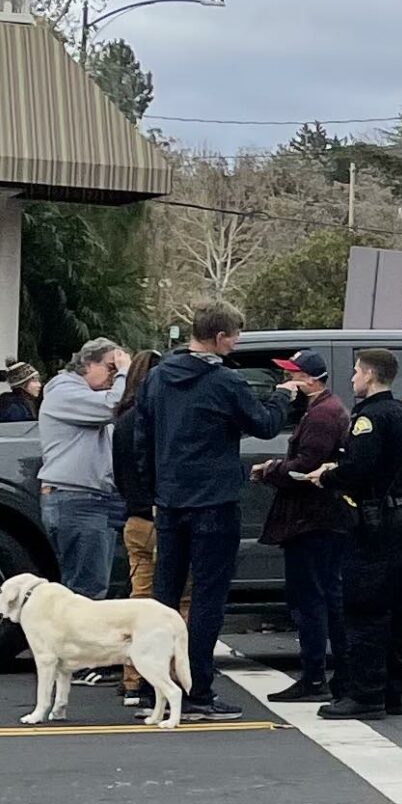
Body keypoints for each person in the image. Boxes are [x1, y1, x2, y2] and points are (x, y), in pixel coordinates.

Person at [133, 303, 284, 722]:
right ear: (219, 339)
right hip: (214, 501)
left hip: (170, 500)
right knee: (207, 598)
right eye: (234, 337)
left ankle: (152, 687)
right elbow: (265, 424)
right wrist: (282, 397)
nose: (235, 345)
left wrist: (153, 490)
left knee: (163, 597)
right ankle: (197, 690)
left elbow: (142, 438)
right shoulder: (223, 381)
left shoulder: (158, 377)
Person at [320, 347, 402, 720]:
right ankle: (395, 692)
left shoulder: (370, 418)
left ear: (370, 375)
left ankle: (365, 694)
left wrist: (327, 475)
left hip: (371, 522)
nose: (352, 379)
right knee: (395, 609)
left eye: (356, 372)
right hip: (399, 518)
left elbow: (358, 468)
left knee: (364, 608)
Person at [254, 351, 352, 704]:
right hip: (319, 519)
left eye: (292, 376)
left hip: (310, 521)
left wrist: (270, 471)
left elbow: (306, 467)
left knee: (310, 599)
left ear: (309, 380)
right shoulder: (324, 410)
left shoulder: (323, 416)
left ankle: (315, 676)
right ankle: (339, 672)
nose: (286, 382)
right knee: (326, 595)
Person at [37, 341, 127, 609]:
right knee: (84, 595)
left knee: (92, 587)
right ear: (88, 363)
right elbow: (114, 406)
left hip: (92, 500)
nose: (115, 375)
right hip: (76, 499)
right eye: (111, 367)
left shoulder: (84, 396)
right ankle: (75, 650)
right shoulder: (64, 391)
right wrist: (125, 372)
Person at [113, 349, 168, 711]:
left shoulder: (122, 421)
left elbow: (118, 474)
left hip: (134, 519)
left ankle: (132, 680)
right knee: (178, 601)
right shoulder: (160, 420)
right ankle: (169, 676)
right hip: (163, 517)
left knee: (139, 600)